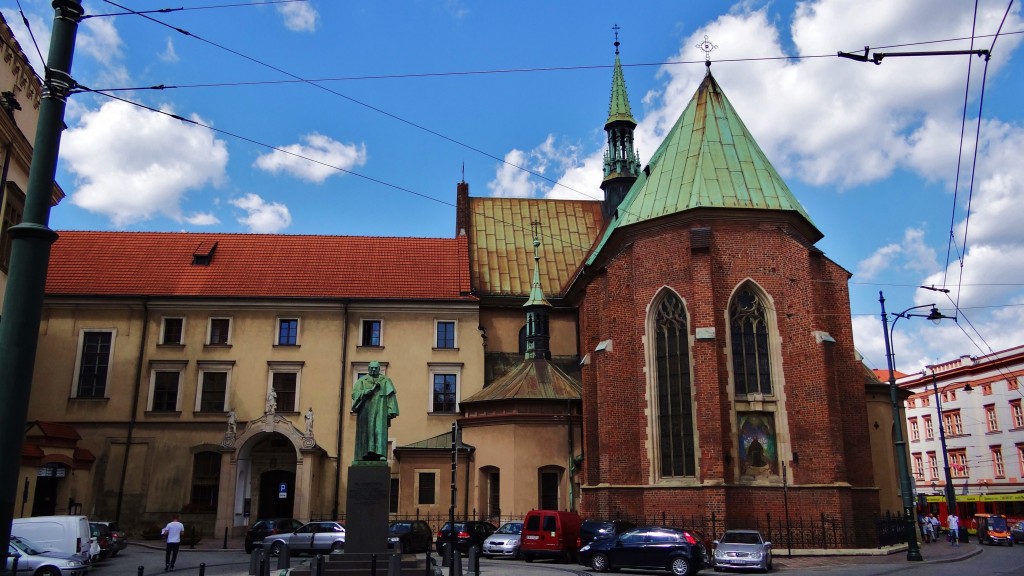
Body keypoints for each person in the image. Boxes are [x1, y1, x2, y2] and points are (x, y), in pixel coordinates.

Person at [351, 361, 399, 462]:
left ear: (379, 369)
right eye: (371, 368)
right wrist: (365, 392)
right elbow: (354, 394)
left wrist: (391, 410)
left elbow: (391, 396)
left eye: (375, 368)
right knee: (364, 432)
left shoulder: (385, 381)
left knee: (379, 431)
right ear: (368, 369)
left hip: (380, 410)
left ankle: (381, 454)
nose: (373, 370)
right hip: (365, 410)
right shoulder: (362, 381)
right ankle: (363, 454)